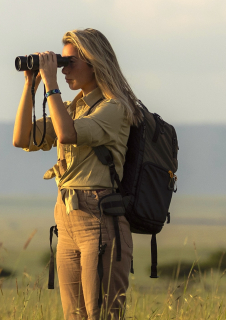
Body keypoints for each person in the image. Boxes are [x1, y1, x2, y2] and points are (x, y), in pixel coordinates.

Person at [12, 28, 143, 320]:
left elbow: (67, 134)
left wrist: (51, 84)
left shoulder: (115, 108)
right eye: (62, 62)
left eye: (69, 62)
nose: (64, 69)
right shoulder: (71, 108)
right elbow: (21, 138)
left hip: (100, 220)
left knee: (101, 315)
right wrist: (30, 85)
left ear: (95, 63)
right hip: (67, 220)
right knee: (74, 316)